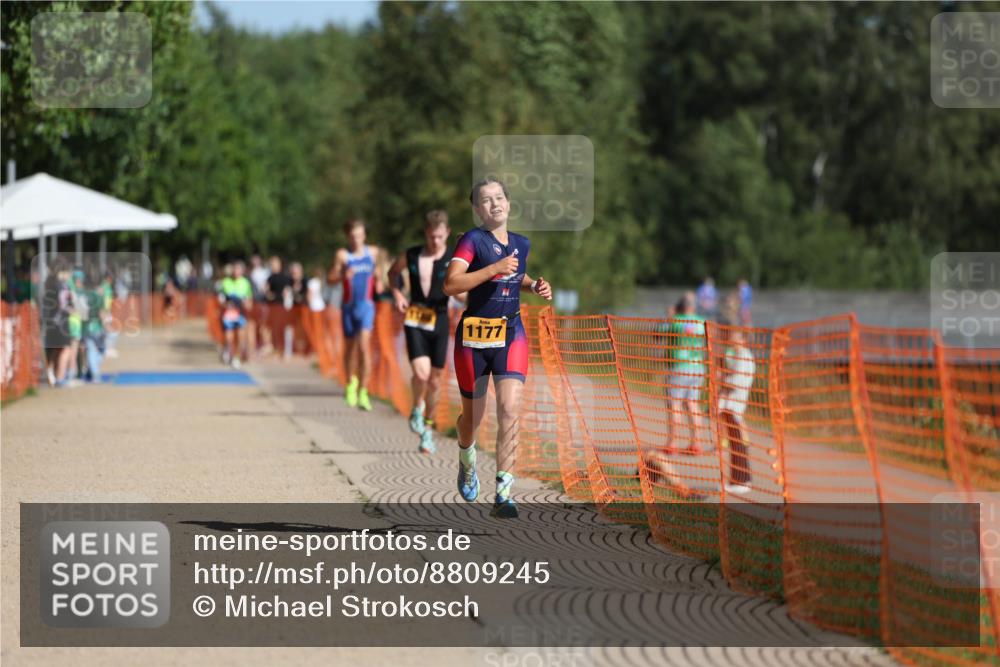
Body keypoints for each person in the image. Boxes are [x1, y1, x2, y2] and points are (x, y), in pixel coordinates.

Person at [444, 178, 552, 518]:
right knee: (472, 419)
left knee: (509, 409)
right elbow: (451, 284)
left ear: (508, 203)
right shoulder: (473, 241)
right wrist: (493, 268)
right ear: (477, 209)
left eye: (499, 197)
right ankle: (466, 456)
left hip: (510, 335)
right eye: (486, 200)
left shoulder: (521, 243)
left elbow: (514, 273)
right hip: (473, 339)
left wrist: (533, 284)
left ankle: (504, 493)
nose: (494, 204)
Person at [388, 210, 462, 455]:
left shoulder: (454, 258)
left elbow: (463, 289)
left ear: (447, 234)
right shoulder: (411, 255)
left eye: (440, 237)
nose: (435, 242)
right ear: (425, 234)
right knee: (420, 374)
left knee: (434, 381)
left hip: (440, 319)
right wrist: (398, 294)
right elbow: (392, 273)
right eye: (431, 237)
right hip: (415, 317)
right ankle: (417, 408)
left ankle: (427, 430)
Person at [330, 219, 383, 411]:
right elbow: (331, 278)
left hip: (366, 307)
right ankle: (350, 383)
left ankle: (363, 390)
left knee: (363, 348)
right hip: (348, 307)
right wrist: (342, 275)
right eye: (353, 237)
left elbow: (380, 273)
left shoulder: (373, 253)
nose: (357, 240)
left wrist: (379, 280)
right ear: (348, 237)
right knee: (349, 350)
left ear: (364, 236)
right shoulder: (343, 256)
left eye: (360, 236)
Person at [663, 291, 707, 455]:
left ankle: (672, 443)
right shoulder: (702, 322)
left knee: (675, 404)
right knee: (692, 403)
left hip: (678, 366)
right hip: (697, 367)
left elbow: (657, 333)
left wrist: (669, 315)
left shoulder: (675, 321)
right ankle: (696, 443)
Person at [719, 328, 755, 494]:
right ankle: (737, 479)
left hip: (735, 404)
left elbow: (736, 382)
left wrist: (720, 379)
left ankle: (742, 479)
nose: (730, 337)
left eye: (734, 334)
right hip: (731, 404)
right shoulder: (738, 355)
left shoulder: (743, 356)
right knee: (735, 442)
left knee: (737, 442)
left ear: (742, 338)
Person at [218, 260, 254, 368]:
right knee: (229, 337)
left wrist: (247, 304)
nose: (236, 271)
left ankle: (236, 358)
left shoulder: (246, 283)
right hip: (228, 314)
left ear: (242, 271)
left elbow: (249, 299)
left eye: (238, 269)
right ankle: (228, 351)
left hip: (240, 314)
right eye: (235, 269)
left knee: (240, 337)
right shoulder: (225, 282)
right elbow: (220, 298)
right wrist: (225, 304)